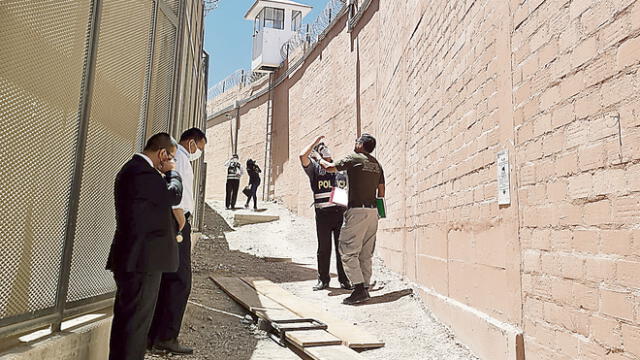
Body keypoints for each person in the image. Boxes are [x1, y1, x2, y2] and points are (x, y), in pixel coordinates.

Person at [106, 133, 183, 360]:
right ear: (162, 153)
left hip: (138, 259)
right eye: (171, 158)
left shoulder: (135, 170)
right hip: (142, 260)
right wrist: (172, 172)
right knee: (135, 327)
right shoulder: (141, 172)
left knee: (130, 323)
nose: (171, 162)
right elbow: (174, 195)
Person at [148, 128, 206, 355]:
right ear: (192, 142)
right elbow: (173, 191)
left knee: (168, 279)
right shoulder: (180, 158)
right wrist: (181, 221)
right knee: (180, 281)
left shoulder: (178, 157)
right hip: (176, 223)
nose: (198, 152)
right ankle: (166, 338)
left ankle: (154, 336)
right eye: (199, 147)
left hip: (171, 223)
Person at [319, 133, 385, 305]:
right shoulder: (377, 164)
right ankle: (365, 286)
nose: (355, 143)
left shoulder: (354, 157)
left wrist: (317, 158)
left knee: (347, 250)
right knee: (365, 253)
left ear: (361, 145)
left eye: (357, 141)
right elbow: (381, 192)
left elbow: (329, 167)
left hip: (357, 211)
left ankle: (358, 289)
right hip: (372, 213)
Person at [299, 136, 351, 291]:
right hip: (323, 214)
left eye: (324, 147)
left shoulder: (339, 167)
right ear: (317, 153)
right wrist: (314, 144)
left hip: (340, 213)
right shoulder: (314, 168)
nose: (324, 148)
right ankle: (323, 280)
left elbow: (347, 189)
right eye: (321, 148)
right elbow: (302, 156)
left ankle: (345, 280)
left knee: (341, 248)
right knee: (324, 248)